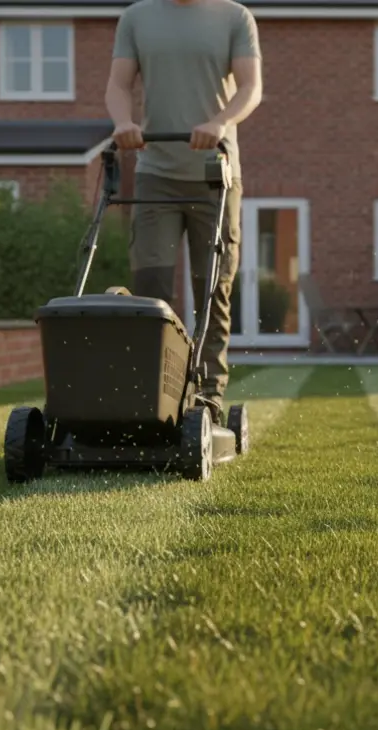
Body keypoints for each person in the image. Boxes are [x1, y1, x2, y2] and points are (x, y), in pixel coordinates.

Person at [105, 0, 262, 427]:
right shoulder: (137, 17)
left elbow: (250, 87)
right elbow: (118, 85)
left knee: (213, 289)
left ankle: (209, 395)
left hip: (217, 176)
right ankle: (149, 393)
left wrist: (220, 122)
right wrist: (122, 123)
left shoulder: (234, 17)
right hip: (156, 173)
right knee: (149, 288)